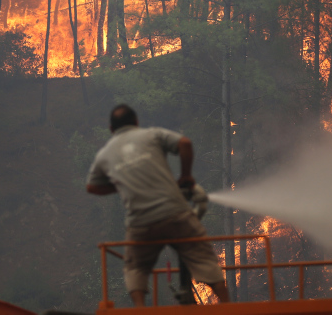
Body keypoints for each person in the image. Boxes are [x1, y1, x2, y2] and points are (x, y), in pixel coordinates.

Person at [86, 104, 230, 306]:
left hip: (141, 223)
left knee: (135, 267)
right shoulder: (152, 135)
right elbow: (185, 143)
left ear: (111, 129)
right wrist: (186, 175)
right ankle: (229, 306)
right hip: (176, 213)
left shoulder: (105, 154)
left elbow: (92, 187)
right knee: (204, 259)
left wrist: (122, 183)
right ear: (136, 122)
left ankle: (140, 309)